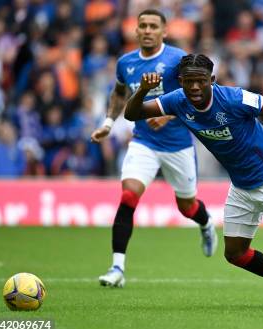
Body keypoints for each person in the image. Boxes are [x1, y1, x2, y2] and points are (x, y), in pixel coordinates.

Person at [124, 54, 263, 308]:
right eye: (189, 81)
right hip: (241, 184)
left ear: (212, 79)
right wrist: (143, 90)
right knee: (235, 254)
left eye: (201, 81)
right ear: (181, 81)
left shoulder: (234, 98)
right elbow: (132, 113)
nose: (195, 87)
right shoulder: (177, 100)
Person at [90, 9, 217, 288]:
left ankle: (206, 224)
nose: (147, 30)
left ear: (164, 31)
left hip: (178, 144)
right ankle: (117, 268)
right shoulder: (126, 62)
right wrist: (108, 123)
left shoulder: (176, 60)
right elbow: (119, 94)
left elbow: (193, 94)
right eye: (143, 26)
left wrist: (169, 114)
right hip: (143, 141)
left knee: (187, 207)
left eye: (152, 26)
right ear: (135, 31)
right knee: (128, 196)